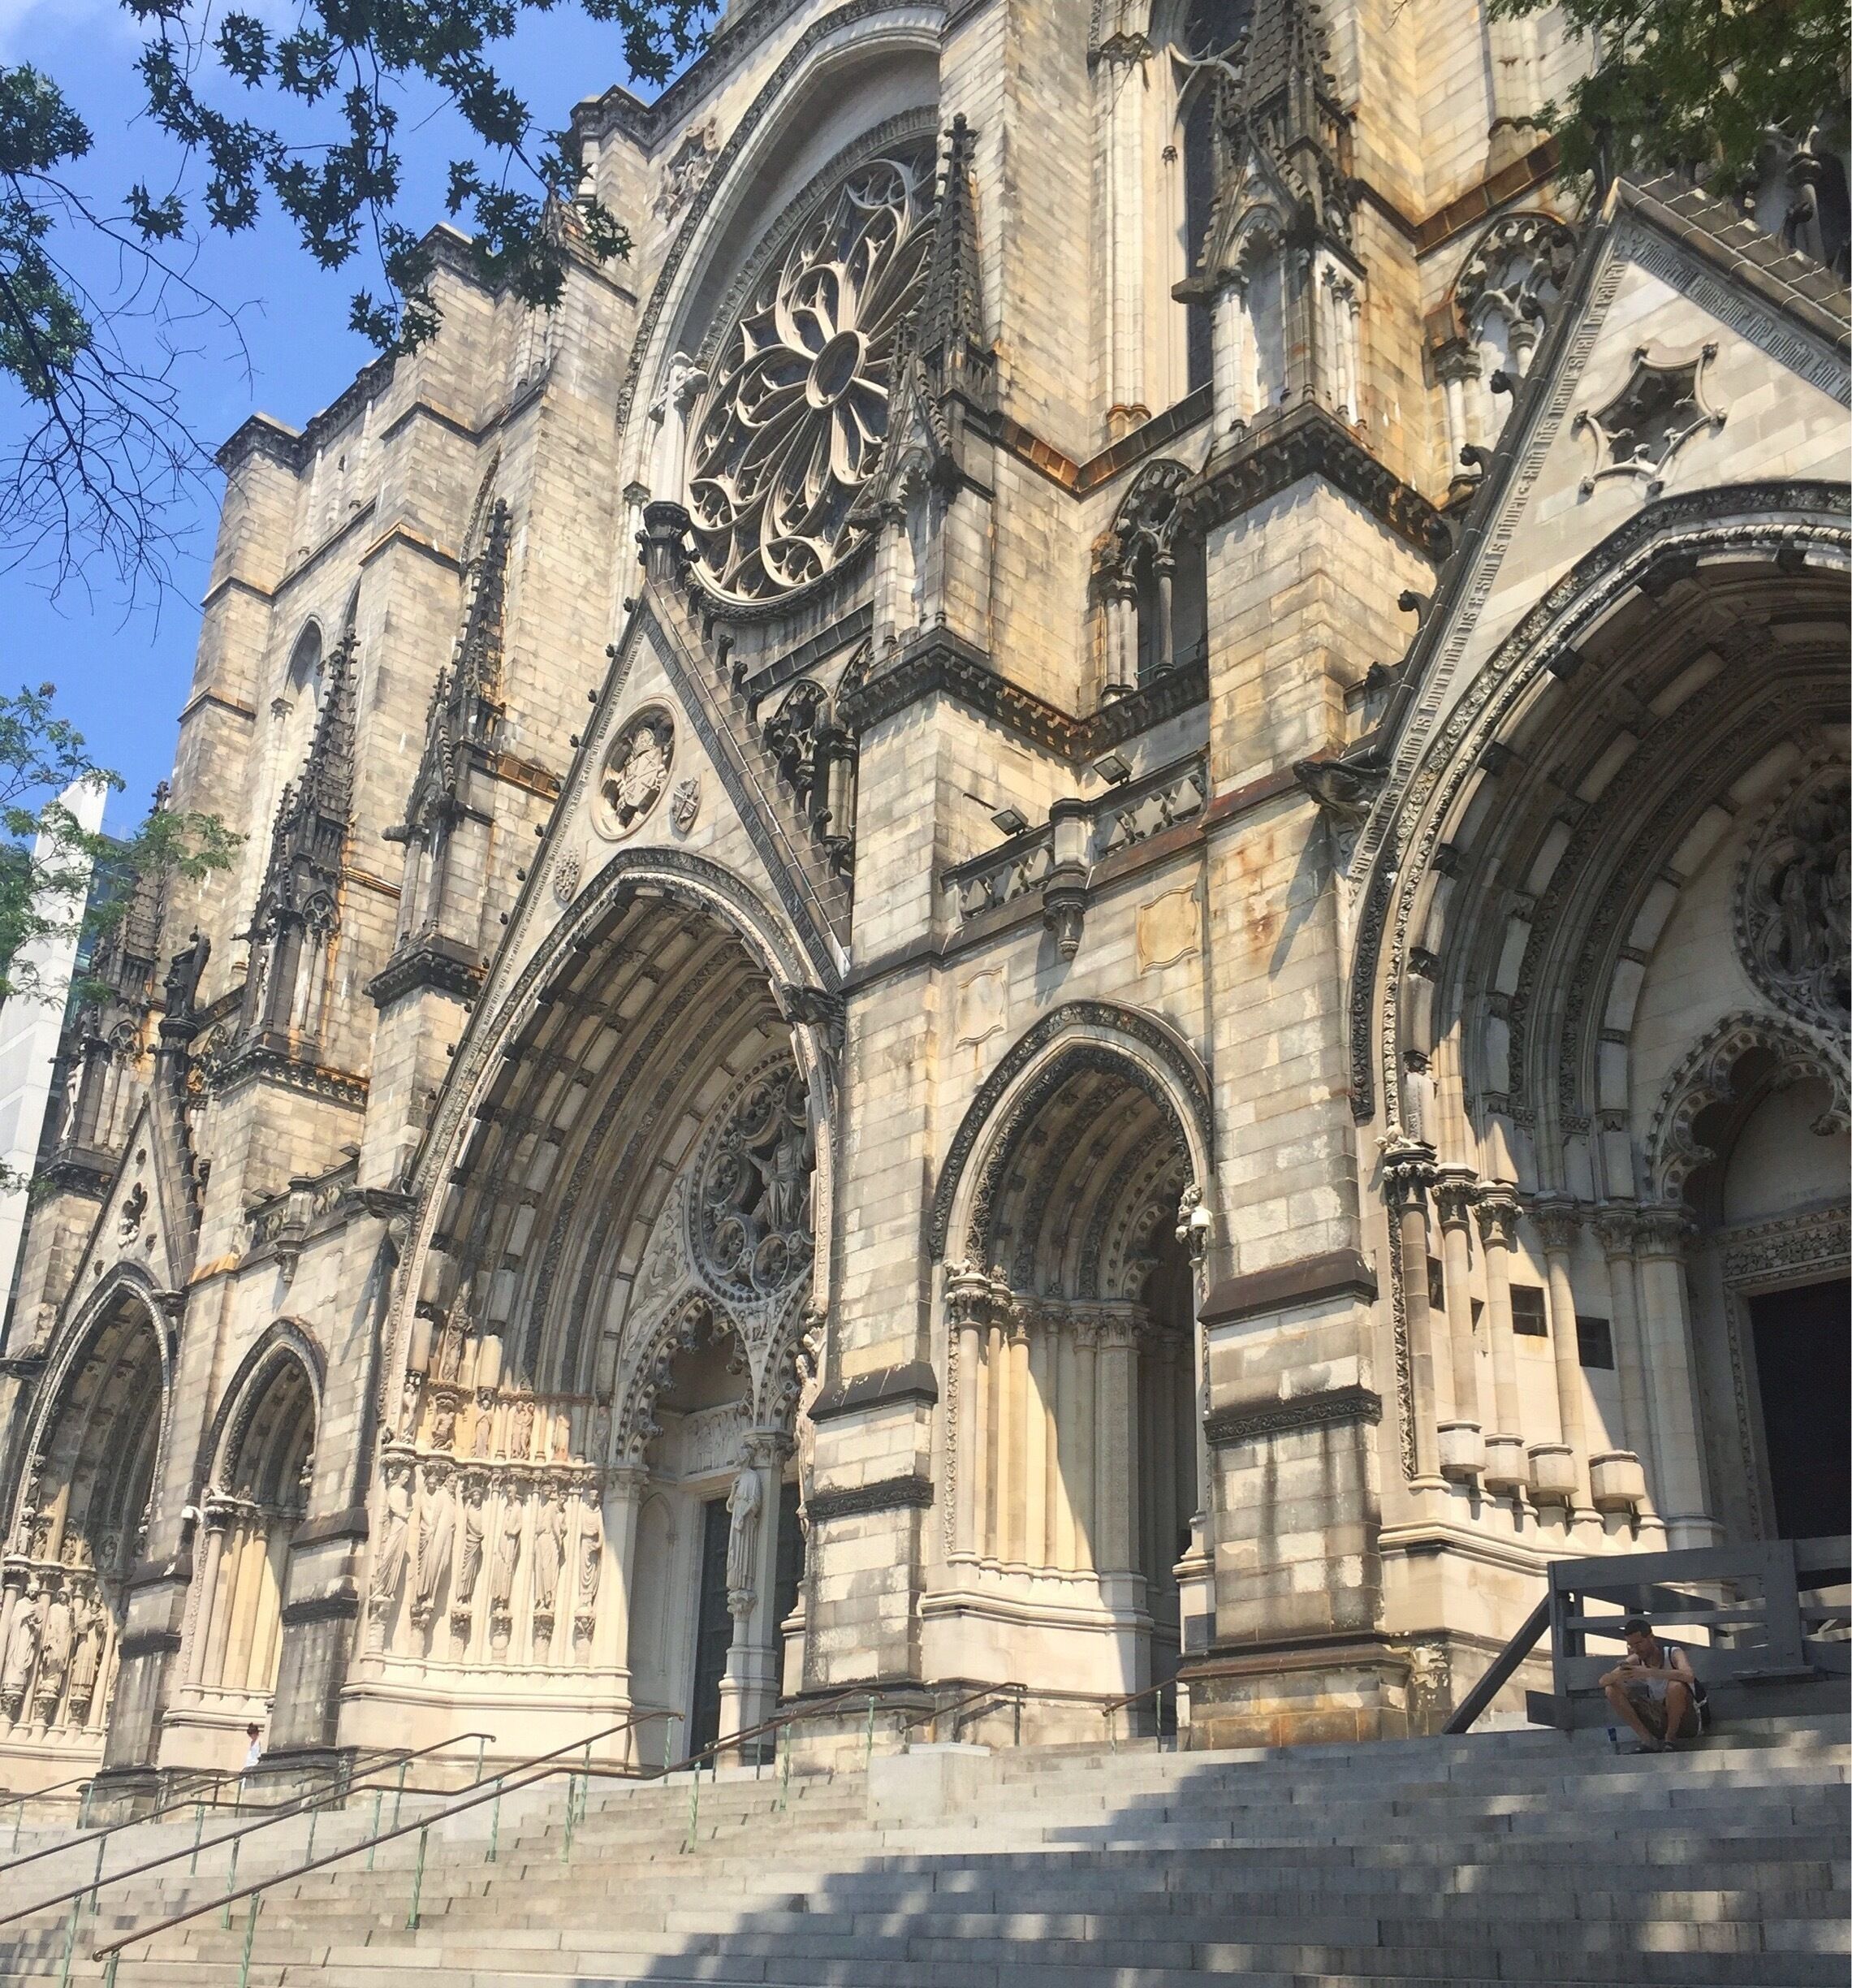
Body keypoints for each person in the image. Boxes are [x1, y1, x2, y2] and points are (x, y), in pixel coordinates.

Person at [1600, 1614, 1704, 1752]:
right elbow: (1603, 1681)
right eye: (1631, 1645)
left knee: (1675, 1685)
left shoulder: (1673, 1653)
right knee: (1611, 1689)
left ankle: (1670, 1739)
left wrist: (1649, 1672)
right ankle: (1647, 1739)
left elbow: (1688, 1675)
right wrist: (1620, 1674)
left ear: (1651, 1638)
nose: (1635, 1649)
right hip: (1658, 1716)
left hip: (1687, 1720)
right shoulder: (1635, 1659)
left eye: (1638, 1644)